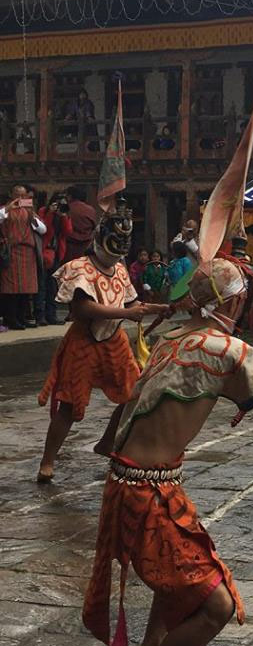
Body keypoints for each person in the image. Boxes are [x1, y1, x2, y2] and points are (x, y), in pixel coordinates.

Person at [82, 257, 253, 646]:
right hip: (148, 491)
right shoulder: (226, 349)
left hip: (131, 482)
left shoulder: (170, 338)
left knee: (176, 587)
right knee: (214, 605)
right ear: (236, 305)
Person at [36, 200, 168, 482]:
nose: (119, 247)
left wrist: (160, 308)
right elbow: (83, 309)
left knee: (134, 394)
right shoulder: (80, 267)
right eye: (115, 239)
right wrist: (128, 313)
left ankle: (107, 442)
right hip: (84, 340)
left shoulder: (120, 269)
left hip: (114, 339)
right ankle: (47, 461)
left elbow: (132, 301)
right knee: (70, 406)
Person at [0, 185, 46, 330]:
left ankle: (22, 317)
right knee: (11, 289)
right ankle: (11, 319)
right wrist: (8, 208)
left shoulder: (29, 212)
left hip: (28, 254)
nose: (20, 198)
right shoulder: (5, 210)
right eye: (17, 195)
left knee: (26, 290)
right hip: (11, 252)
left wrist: (32, 215)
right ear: (11, 195)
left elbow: (43, 229)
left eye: (23, 195)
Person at [36, 193, 74, 325]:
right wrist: (50, 213)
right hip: (44, 252)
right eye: (58, 203)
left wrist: (63, 216)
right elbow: (43, 230)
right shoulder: (43, 211)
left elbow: (68, 232)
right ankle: (40, 315)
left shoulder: (64, 214)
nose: (60, 206)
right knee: (42, 286)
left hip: (57, 254)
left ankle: (51, 315)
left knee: (52, 287)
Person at [64, 185, 97, 261]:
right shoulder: (90, 210)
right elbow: (94, 227)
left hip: (68, 249)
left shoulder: (66, 209)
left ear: (70, 196)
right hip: (86, 248)